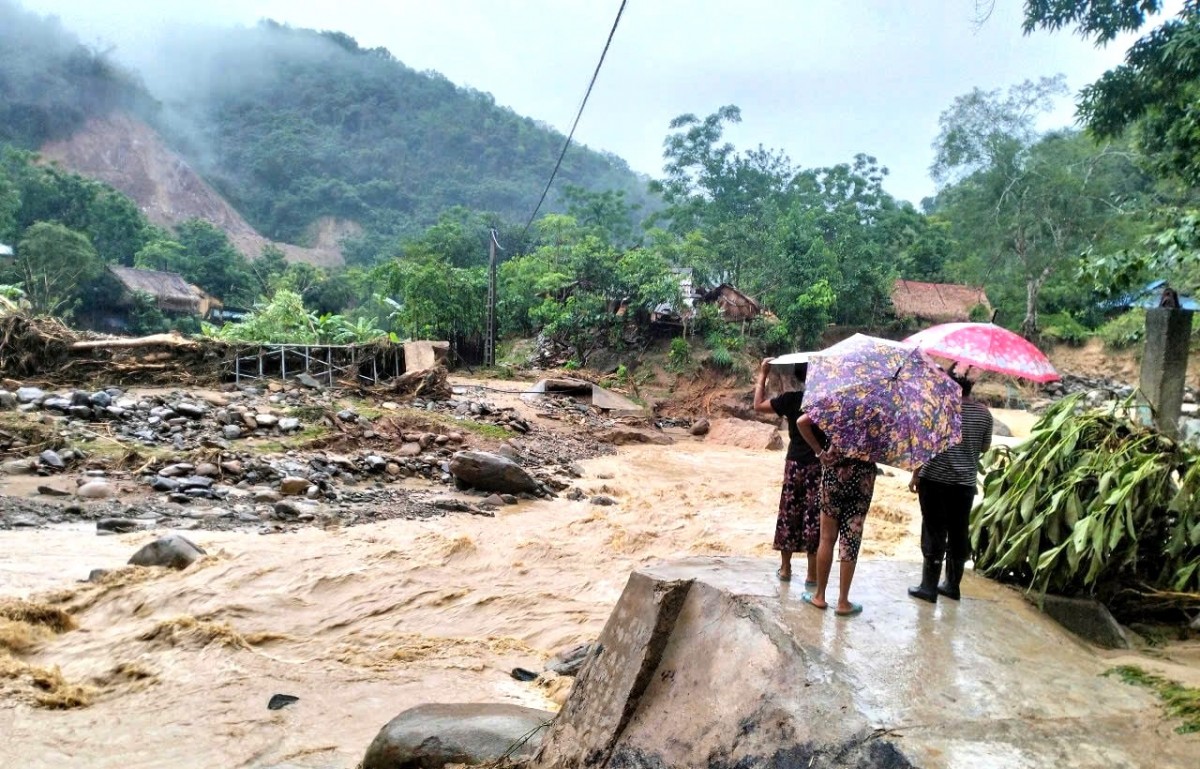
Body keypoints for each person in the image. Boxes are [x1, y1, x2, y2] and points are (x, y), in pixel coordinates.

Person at [907, 374, 993, 603]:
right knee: (958, 532)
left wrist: (915, 476)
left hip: (934, 481)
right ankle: (952, 586)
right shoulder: (984, 414)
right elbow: (985, 447)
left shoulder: (939, 409)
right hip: (964, 485)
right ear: (970, 385)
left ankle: (929, 587)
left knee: (934, 531)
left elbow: (923, 446)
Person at [797, 414, 876, 617]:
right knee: (851, 539)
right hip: (862, 480)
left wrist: (820, 452)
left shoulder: (839, 402)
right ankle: (843, 602)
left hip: (834, 474)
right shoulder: (880, 410)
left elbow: (801, 423)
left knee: (826, 538)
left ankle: (820, 596)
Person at [753, 357, 823, 587]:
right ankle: (812, 575)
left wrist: (763, 373)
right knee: (814, 518)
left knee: (789, 513)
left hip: (794, 463)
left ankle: (785, 568)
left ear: (798, 376)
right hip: (819, 465)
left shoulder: (792, 400)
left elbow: (758, 405)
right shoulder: (825, 401)